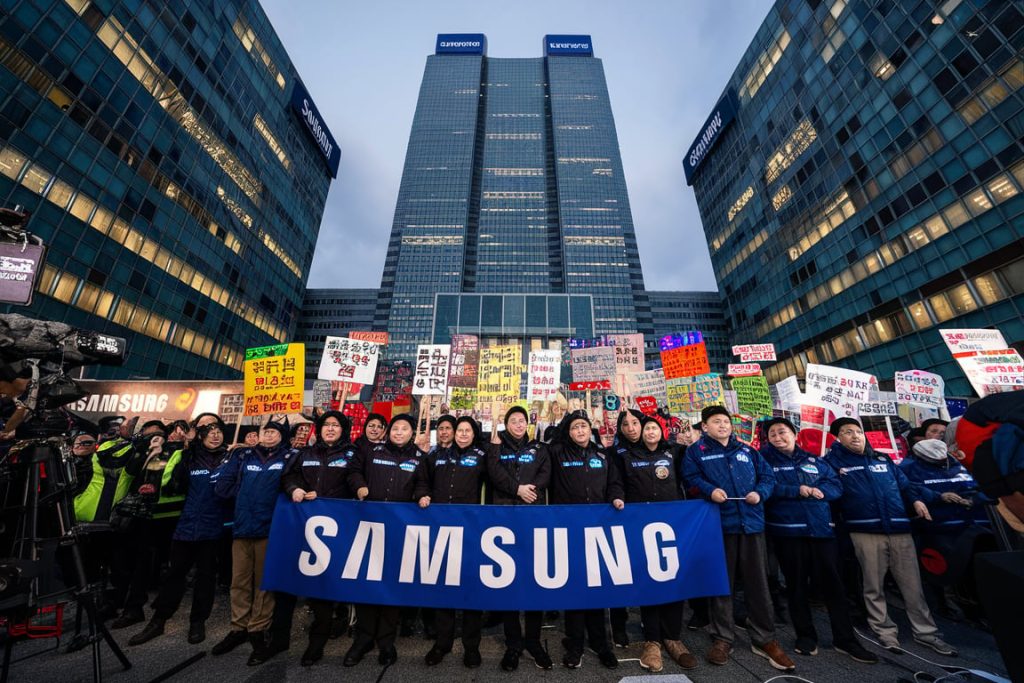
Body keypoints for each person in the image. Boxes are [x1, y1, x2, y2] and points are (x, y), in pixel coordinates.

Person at [825, 417, 957, 656]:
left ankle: (926, 633)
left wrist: (920, 500)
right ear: (837, 438)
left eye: (858, 431)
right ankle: (885, 632)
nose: (855, 436)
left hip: (899, 529)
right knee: (873, 585)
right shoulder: (831, 463)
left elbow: (906, 487)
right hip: (864, 531)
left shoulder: (883, 459)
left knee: (912, 586)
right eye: (847, 432)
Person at [681, 406, 793, 672]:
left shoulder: (747, 451)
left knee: (758, 583)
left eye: (725, 421)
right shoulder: (696, 452)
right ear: (704, 427)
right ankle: (723, 637)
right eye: (716, 421)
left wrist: (760, 493)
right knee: (723, 584)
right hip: (719, 525)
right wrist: (709, 490)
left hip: (752, 524)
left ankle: (764, 638)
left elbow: (767, 477)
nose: (722, 425)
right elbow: (690, 479)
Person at [758, 417, 877, 663]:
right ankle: (805, 635)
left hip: (822, 531)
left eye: (783, 432)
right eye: (773, 435)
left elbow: (835, 486)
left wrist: (823, 492)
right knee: (796, 585)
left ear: (794, 433)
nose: (779, 438)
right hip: (788, 532)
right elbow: (766, 488)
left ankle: (845, 639)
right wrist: (795, 490)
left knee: (834, 586)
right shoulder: (764, 461)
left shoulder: (814, 460)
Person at [127, 419, 231, 646]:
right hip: (186, 525)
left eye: (219, 432)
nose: (215, 436)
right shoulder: (188, 458)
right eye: (209, 432)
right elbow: (173, 485)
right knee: (175, 575)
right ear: (200, 436)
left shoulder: (230, 459)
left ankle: (197, 621)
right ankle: (158, 620)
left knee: (205, 577)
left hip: (213, 528)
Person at [345, 413, 428, 667]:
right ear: (388, 431)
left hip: (399, 531)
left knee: (392, 585)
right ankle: (363, 639)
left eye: (404, 429)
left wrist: (423, 495)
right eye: (395, 428)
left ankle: (386, 642)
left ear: (412, 433)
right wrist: (359, 485)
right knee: (367, 583)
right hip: (369, 526)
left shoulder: (419, 458)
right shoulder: (371, 451)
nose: (399, 432)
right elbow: (353, 471)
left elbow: (423, 483)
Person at [616, 416, 697, 672]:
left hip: (672, 526)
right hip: (640, 527)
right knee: (648, 581)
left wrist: (691, 442)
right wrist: (617, 497)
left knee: (673, 578)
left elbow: (692, 473)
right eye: (646, 427)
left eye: (654, 427)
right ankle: (652, 641)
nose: (650, 431)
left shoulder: (675, 452)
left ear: (661, 432)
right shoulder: (628, 456)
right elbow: (618, 483)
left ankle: (673, 638)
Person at [211, 420, 296, 665]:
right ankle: (238, 626)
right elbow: (223, 487)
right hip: (242, 527)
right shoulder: (243, 456)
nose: (269, 435)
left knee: (263, 582)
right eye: (265, 431)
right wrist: (244, 493)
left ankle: (257, 628)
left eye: (274, 432)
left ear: (282, 437)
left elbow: (291, 483)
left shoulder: (290, 457)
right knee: (239, 580)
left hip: (269, 529)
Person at [277, 410, 358, 666]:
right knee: (303, 581)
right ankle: (295, 638)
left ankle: (328, 631)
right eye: (327, 425)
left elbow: (360, 479)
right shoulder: (306, 454)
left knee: (330, 581)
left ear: (343, 430)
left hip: (340, 527)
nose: (331, 429)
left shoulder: (352, 454)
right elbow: (289, 476)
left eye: (336, 425)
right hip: (306, 527)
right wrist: (296, 489)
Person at [543, 409, 621, 670]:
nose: (580, 431)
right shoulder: (557, 452)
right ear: (568, 430)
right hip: (569, 530)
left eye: (584, 427)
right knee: (575, 588)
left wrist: (616, 497)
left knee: (597, 589)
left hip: (598, 530)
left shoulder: (602, 454)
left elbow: (614, 483)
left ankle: (601, 643)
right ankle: (574, 643)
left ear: (591, 429)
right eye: (575, 427)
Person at [416, 416, 488, 669]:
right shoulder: (437, 456)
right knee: (443, 589)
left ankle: (471, 647)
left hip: (471, 531)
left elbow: (497, 479)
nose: (463, 434)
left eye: (468, 430)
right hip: (440, 529)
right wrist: (423, 494)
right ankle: (442, 644)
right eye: (460, 430)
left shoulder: (482, 455)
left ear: (474, 434)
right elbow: (422, 478)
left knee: (470, 591)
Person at [486, 405, 552, 671]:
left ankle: (534, 641)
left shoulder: (539, 448)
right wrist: (516, 489)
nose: (518, 424)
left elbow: (545, 474)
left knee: (534, 580)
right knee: (510, 582)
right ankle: (513, 643)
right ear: (506, 423)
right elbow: (493, 472)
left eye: (522, 420)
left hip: (533, 518)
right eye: (513, 420)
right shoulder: (496, 446)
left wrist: (529, 491)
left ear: (528, 423)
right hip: (504, 520)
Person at [899, 438, 991, 620]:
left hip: (973, 526)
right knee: (942, 571)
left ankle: (975, 610)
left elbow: (978, 486)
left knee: (973, 571)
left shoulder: (958, 464)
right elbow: (907, 490)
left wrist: (974, 499)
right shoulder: (909, 468)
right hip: (935, 529)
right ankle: (945, 607)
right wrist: (938, 497)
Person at [606, 409, 644, 649]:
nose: (631, 428)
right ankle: (618, 625)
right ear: (620, 428)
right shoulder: (613, 452)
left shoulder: (660, 447)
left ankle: (653, 627)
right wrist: (616, 497)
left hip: (649, 521)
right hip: (620, 518)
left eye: (635, 423)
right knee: (619, 574)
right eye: (626, 424)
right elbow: (611, 481)